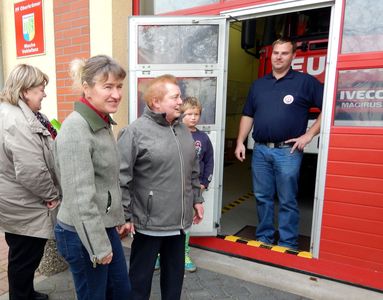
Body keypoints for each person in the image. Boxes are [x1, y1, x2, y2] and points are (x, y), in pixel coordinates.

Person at [117, 74, 204, 300]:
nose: (180, 101)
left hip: (179, 225)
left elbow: (192, 169)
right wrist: (125, 216)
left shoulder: (183, 129)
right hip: (149, 225)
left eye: (180, 96)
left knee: (174, 282)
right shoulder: (134, 132)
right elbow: (120, 178)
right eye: (174, 97)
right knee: (139, 282)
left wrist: (197, 199)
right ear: (156, 102)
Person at [53, 55, 131, 300]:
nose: (116, 94)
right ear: (86, 88)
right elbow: (79, 198)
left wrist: (116, 215)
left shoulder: (101, 121)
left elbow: (104, 181)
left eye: (119, 86)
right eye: (107, 86)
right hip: (81, 232)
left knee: (120, 292)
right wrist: (98, 248)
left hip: (102, 225)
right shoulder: (77, 129)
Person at [234, 37, 323, 250]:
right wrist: (240, 142)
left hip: (288, 152)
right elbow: (248, 115)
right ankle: (264, 237)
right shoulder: (258, 85)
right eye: (276, 53)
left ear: (293, 56)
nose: (279, 57)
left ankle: (288, 242)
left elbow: (327, 109)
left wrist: (309, 135)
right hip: (262, 150)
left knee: (287, 200)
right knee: (263, 197)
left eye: (284, 53)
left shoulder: (305, 82)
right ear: (271, 55)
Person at [0, 64, 60, 300]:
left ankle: (23, 292)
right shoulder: (18, 122)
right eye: (40, 89)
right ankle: (21, 296)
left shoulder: (13, 113)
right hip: (24, 204)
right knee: (26, 256)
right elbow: (31, 171)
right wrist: (52, 195)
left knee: (20, 254)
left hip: (13, 199)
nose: (44, 94)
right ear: (25, 91)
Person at [180, 96, 214, 271]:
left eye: (196, 114)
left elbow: (209, 161)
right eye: (189, 114)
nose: (193, 118)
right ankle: (159, 254)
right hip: (174, 186)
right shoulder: (174, 133)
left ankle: (184, 253)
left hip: (195, 187)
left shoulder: (203, 138)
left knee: (187, 222)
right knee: (166, 221)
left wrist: (204, 183)